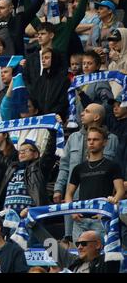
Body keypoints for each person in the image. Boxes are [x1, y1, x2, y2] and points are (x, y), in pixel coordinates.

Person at [54, 103, 119, 242]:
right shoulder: (73, 137)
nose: (82, 114)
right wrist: (58, 188)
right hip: (75, 201)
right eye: (89, 139)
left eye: (87, 111)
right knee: (74, 242)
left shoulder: (112, 139)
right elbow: (64, 166)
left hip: (100, 204)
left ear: (96, 117)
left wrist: (111, 205)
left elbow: (115, 171)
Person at [0, 119, 58, 215]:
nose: (21, 152)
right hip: (8, 217)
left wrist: (53, 131)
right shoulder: (12, 167)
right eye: (20, 151)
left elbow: (49, 152)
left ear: (36, 154)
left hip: (29, 216)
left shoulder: (39, 167)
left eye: (26, 150)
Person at [65, 126, 124, 240]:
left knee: (101, 254)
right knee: (80, 255)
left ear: (105, 142)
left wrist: (107, 210)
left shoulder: (112, 166)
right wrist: (72, 212)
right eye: (89, 139)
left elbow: (120, 190)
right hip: (80, 220)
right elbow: (68, 193)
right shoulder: (79, 168)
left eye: (95, 139)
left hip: (101, 219)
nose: (91, 142)